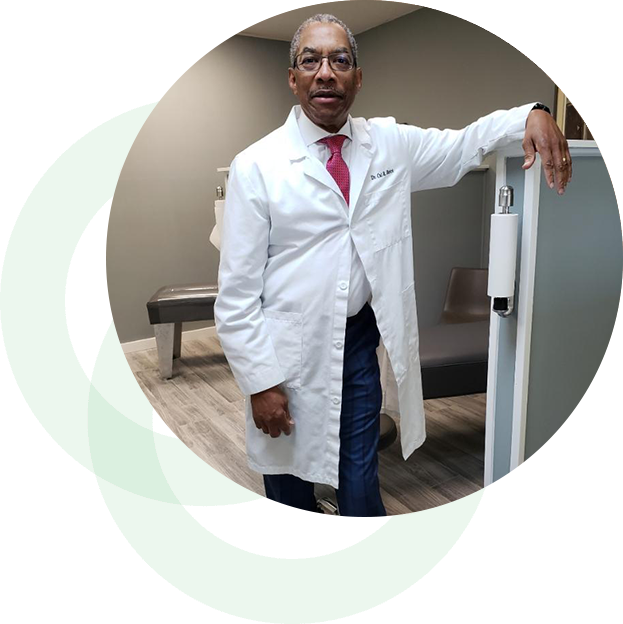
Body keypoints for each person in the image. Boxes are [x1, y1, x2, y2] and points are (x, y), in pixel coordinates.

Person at [214, 14, 571, 544]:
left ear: (358, 77)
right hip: (286, 353)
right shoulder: (256, 166)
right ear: (293, 78)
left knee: (360, 485)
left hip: (359, 342)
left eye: (340, 60)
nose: (326, 73)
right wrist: (261, 383)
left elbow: (464, 145)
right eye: (311, 60)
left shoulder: (389, 144)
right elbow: (237, 296)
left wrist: (534, 112)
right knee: (288, 490)